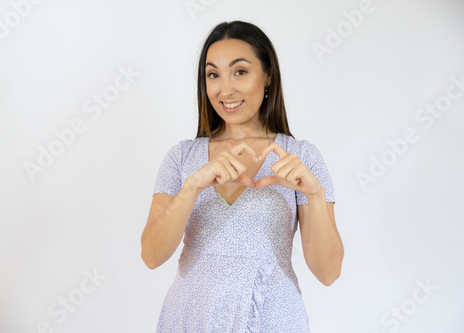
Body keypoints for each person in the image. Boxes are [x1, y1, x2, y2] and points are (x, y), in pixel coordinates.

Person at [141, 20, 344, 332]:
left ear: (267, 77)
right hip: (190, 319)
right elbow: (152, 255)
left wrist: (315, 196)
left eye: (240, 71)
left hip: (271, 320)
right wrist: (193, 185)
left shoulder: (301, 158)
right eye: (213, 75)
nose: (225, 89)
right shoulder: (182, 157)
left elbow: (328, 272)